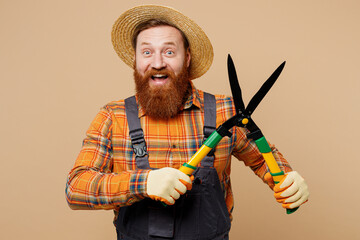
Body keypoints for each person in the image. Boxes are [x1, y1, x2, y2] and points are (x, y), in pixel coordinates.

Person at [65, 5, 309, 240]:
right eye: (147, 52)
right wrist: (144, 182)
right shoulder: (113, 116)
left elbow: (263, 160)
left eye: (169, 51)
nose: (158, 62)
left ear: (188, 57)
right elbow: (76, 189)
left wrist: (289, 181)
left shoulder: (226, 111)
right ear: (135, 60)